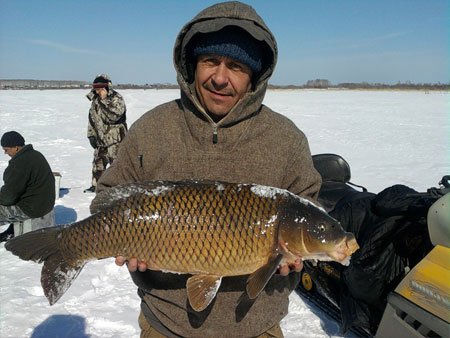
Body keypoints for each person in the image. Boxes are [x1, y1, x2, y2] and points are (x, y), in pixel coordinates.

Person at [91, 1, 322, 337]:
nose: (220, 78)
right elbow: (106, 199)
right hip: (166, 324)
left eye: (237, 67)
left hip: (256, 326)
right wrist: (128, 237)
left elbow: (308, 208)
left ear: (254, 76)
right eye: (210, 61)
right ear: (192, 64)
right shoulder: (152, 129)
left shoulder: (286, 139)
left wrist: (297, 252)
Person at [0, 131, 55, 241]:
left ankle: (14, 228)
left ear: (15, 147)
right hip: (46, 204)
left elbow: (7, 198)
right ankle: (12, 230)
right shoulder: (36, 155)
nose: (5, 153)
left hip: (33, 208)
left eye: (6, 149)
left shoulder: (19, 164)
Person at [85, 73, 127, 192]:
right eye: (95, 89)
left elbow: (114, 116)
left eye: (99, 89)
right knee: (97, 164)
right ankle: (96, 186)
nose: (97, 92)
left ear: (105, 88)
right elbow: (92, 118)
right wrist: (91, 134)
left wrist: (104, 101)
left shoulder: (116, 98)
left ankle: (119, 187)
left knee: (116, 164)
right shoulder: (95, 101)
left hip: (116, 140)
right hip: (100, 138)